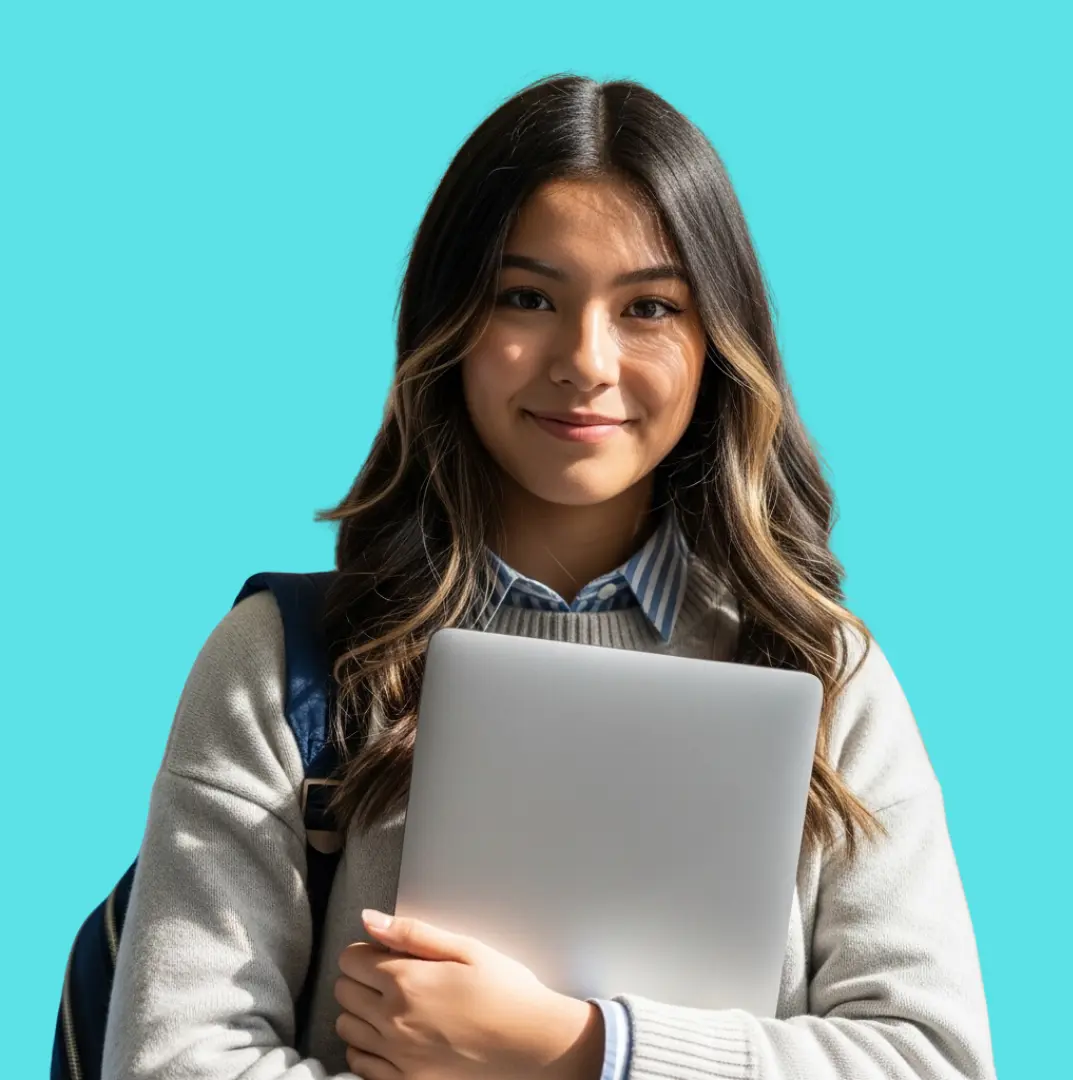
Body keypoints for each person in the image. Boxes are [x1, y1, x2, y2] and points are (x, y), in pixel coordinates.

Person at [101, 72, 997, 1080]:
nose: (585, 362)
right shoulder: (287, 666)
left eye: (649, 307)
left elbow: (936, 1061)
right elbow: (169, 1062)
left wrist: (578, 1048)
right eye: (528, 298)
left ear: (718, 342)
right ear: (448, 323)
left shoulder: (824, 675)